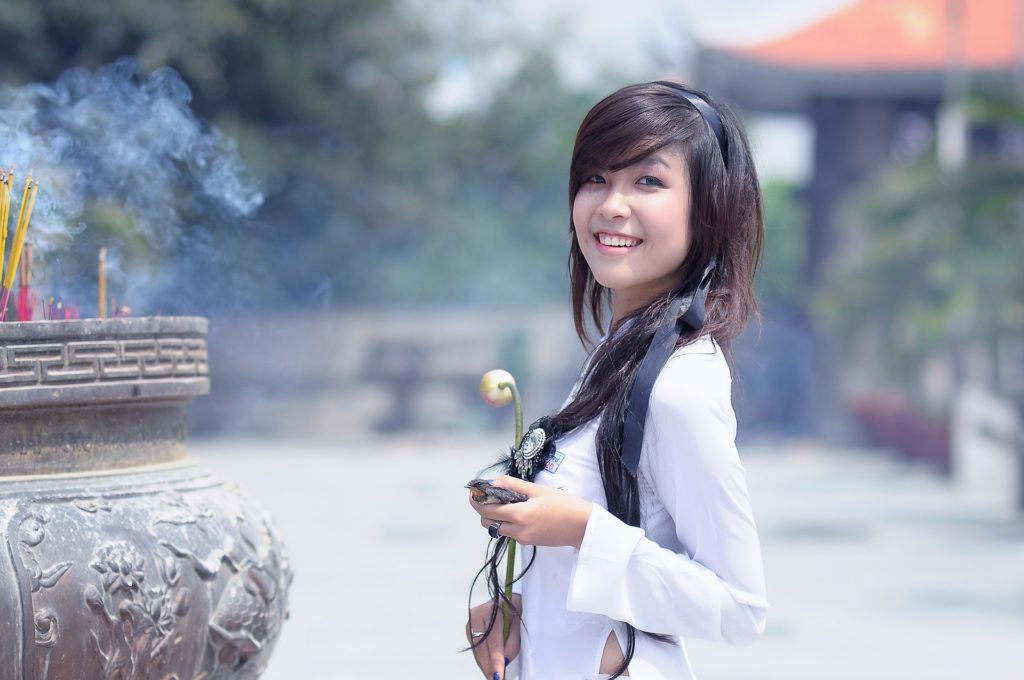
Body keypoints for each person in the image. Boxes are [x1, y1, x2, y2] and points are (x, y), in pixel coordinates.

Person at [466, 81, 769, 680]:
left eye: (648, 182)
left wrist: (580, 530)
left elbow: (740, 607)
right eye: (596, 178)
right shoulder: (617, 355)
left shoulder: (679, 386)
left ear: (707, 210)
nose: (611, 205)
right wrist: (526, 609)